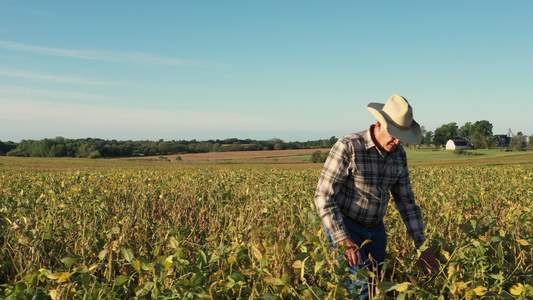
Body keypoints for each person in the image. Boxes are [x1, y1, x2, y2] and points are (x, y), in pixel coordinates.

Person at [314, 94, 439, 298]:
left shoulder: (399, 154)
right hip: (346, 226)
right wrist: (343, 238)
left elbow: (406, 202)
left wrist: (421, 246)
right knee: (363, 284)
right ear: (378, 125)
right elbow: (323, 196)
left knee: (377, 283)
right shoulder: (348, 146)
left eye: (402, 136)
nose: (398, 141)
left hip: (375, 228)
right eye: (394, 134)